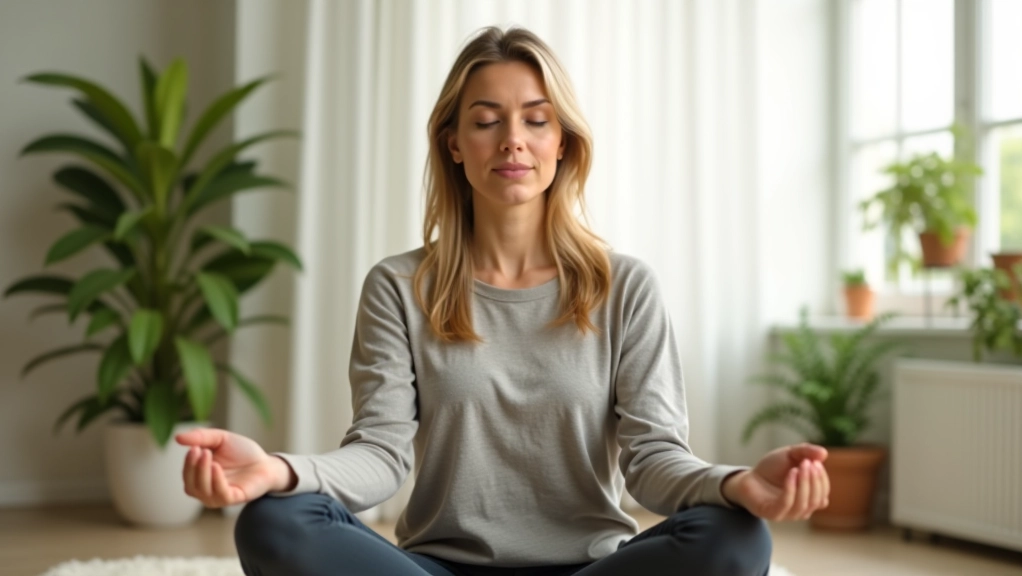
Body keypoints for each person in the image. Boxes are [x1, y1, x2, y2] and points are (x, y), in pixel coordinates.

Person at [176, 26, 830, 576]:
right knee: (276, 521)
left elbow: (654, 462)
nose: (512, 139)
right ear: (455, 143)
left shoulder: (626, 286)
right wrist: (279, 471)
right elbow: (379, 453)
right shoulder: (398, 286)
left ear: (562, 142)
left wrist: (734, 483)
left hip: (588, 568)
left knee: (735, 535)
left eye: (536, 120)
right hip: (441, 567)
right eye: (486, 121)